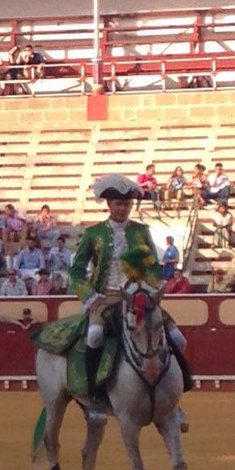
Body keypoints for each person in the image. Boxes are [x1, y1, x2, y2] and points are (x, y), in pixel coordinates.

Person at [67, 174, 193, 425]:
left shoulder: (141, 231)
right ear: (109, 205)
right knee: (93, 336)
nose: (123, 209)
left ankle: (175, 402)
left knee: (178, 338)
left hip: (140, 294)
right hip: (107, 296)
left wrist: (155, 286)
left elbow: (154, 267)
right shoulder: (94, 234)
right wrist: (89, 297)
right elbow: (77, 270)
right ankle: (96, 397)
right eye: (118, 204)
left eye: (127, 205)